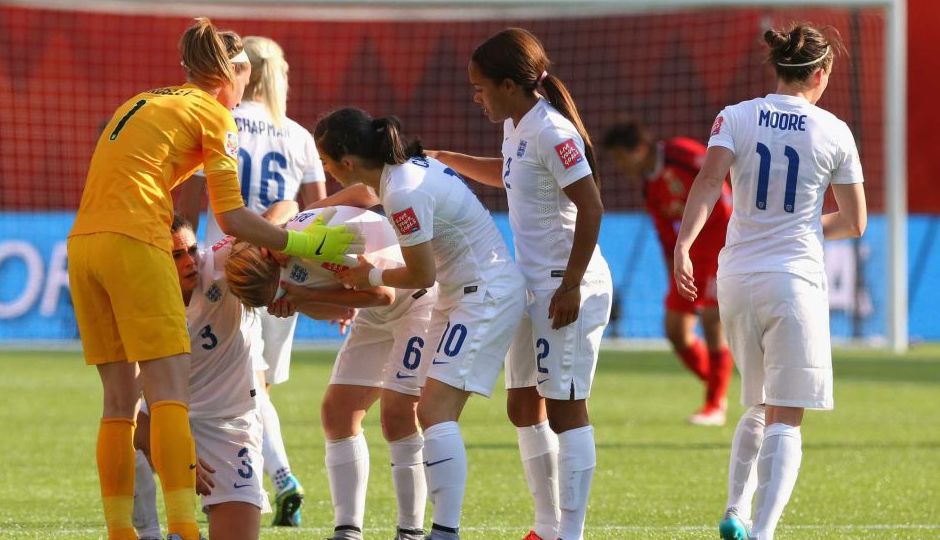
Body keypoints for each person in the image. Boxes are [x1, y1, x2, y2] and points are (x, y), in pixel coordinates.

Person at [66, 17, 358, 540]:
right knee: (168, 390)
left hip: (84, 244)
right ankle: (183, 523)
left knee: (117, 402)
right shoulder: (213, 114)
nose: (246, 91)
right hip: (138, 242)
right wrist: (300, 243)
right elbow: (234, 221)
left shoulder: (144, 100)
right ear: (234, 73)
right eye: (244, 78)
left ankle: (120, 531)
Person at [673, 23, 865, 540]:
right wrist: (804, 225)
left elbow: (708, 181)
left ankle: (735, 509)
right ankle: (763, 533)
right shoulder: (834, 131)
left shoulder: (734, 116)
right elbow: (855, 221)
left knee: (758, 400)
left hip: (736, 277)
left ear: (778, 67)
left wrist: (684, 245)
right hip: (792, 279)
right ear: (820, 74)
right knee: (788, 414)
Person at [312, 108, 527, 540]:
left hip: (482, 294)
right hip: (458, 295)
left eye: (326, 161)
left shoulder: (403, 191)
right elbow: (360, 198)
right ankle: (413, 531)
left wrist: (367, 275)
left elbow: (419, 274)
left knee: (432, 411)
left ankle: (441, 532)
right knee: (419, 411)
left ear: (347, 161)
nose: (326, 170)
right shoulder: (398, 174)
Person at [431, 28, 612, 540]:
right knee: (521, 407)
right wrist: (448, 160)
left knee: (565, 409)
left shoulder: (553, 131)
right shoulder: (517, 126)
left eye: (481, 88)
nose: (477, 97)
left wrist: (572, 284)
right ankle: (545, 527)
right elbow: (510, 174)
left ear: (510, 85)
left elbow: (592, 205)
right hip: (530, 286)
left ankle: (569, 533)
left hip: (565, 284)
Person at [176, 35, 329, 527]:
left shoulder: (219, 121)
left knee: (219, 387)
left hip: (220, 271)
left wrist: (186, 258)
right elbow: (320, 210)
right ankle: (268, 478)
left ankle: (270, 478)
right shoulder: (298, 134)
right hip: (276, 268)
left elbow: (193, 204)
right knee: (253, 387)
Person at [223, 206, 438, 540]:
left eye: (272, 293)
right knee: (337, 413)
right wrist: (297, 302)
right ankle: (347, 531)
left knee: (397, 414)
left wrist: (302, 296)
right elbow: (344, 308)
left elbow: (382, 293)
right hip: (379, 314)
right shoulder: (275, 255)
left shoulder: (316, 243)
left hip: (418, 302)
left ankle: (410, 531)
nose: (273, 299)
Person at [134, 215, 270, 540]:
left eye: (192, 250)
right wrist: (177, 448)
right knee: (123, 433)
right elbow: (139, 386)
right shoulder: (142, 303)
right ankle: (151, 534)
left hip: (230, 424)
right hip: (173, 416)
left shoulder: (219, 262)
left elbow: (285, 212)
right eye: (176, 255)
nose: (190, 262)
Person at [602, 121, 734, 425]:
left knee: (714, 321)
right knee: (675, 330)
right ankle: (719, 386)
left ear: (639, 149)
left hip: (721, 241)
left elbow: (720, 178)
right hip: (688, 255)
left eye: (621, 158)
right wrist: (674, 270)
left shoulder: (681, 153)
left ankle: (715, 405)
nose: (621, 167)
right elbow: (665, 234)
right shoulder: (650, 186)